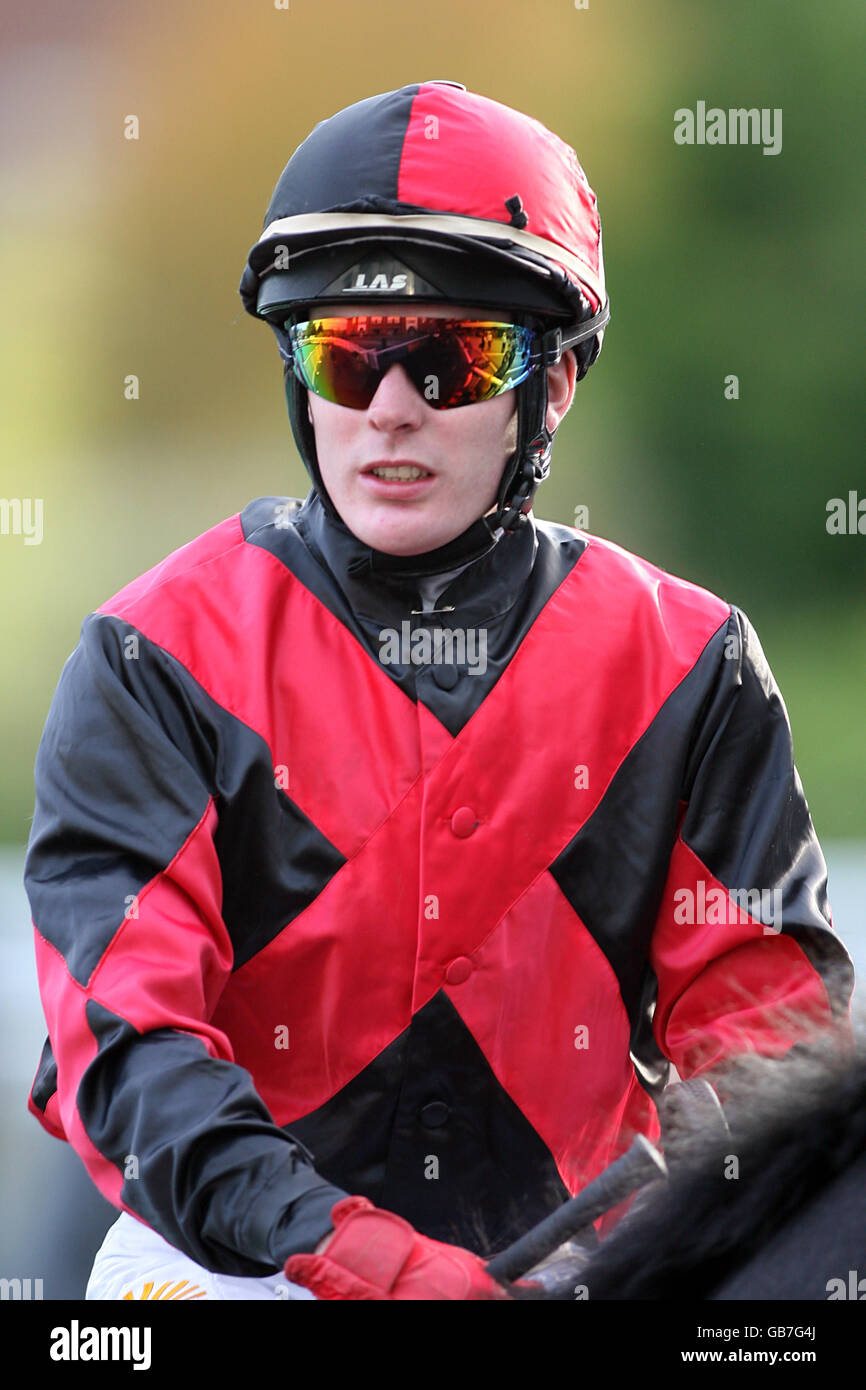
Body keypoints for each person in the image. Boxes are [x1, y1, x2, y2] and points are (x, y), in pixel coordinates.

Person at [25, 80, 852, 1302]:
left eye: (451, 358)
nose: (391, 409)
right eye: (345, 354)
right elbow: (129, 1048)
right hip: (235, 1266)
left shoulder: (692, 661)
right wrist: (360, 1256)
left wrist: (631, 1252)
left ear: (552, 385)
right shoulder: (154, 655)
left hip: (581, 1269)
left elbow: (763, 1038)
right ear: (299, 377)